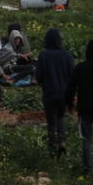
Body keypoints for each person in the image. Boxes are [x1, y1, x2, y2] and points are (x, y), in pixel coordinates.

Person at [35, 27, 75, 157]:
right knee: (61, 117)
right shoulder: (67, 55)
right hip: (64, 93)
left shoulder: (44, 55)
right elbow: (72, 76)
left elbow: (39, 76)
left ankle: (52, 147)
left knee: (51, 121)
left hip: (49, 93)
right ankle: (62, 142)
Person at [71, 40, 93, 175]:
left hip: (84, 108)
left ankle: (88, 169)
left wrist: (69, 103)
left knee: (86, 139)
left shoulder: (80, 67)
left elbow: (71, 87)